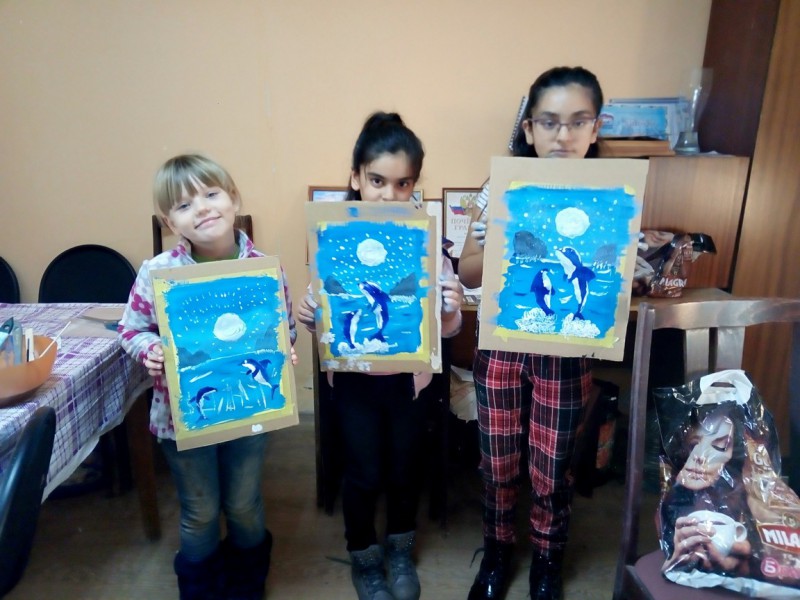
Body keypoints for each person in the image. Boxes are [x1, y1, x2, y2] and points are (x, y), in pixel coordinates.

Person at [297, 112, 463, 600]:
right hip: (354, 383)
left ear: (414, 185)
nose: (389, 195)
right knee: (364, 471)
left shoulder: (427, 243)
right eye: (376, 181)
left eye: (402, 183)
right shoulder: (333, 238)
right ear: (355, 178)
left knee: (405, 467)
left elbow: (444, 329)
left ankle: (400, 550)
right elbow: (324, 315)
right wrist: (310, 313)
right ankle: (364, 558)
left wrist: (450, 308)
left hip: (408, 381)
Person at [118, 153, 297, 600]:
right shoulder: (158, 273)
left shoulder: (264, 269)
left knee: (243, 503)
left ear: (233, 198)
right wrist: (150, 349)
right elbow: (131, 329)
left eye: (211, 194)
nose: (201, 208)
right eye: (183, 205)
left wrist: (283, 350)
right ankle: (200, 589)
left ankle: (247, 581)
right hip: (181, 422)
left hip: (248, 414)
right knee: (199, 511)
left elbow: (285, 327)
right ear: (169, 222)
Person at [458, 66, 604, 600]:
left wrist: (628, 267)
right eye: (549, 122)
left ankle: (547, 557)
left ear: (596, 128)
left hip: (565, 354)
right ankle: (497, 550)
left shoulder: (612, 195)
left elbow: (610, 285)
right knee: (497, 461)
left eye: (577, 122)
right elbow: (467, 273)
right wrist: (489, 243)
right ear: (529, 128)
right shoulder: (499, 188)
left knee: (552, 466)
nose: (563, 135)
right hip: (502, 347)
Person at [659, 404, 752, 576]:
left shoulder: (746, 504)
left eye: (720, 447)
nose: (700, 456)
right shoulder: (668, 504)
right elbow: (667, 565)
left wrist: (745, 569)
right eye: (693, 444)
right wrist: (672, 565)